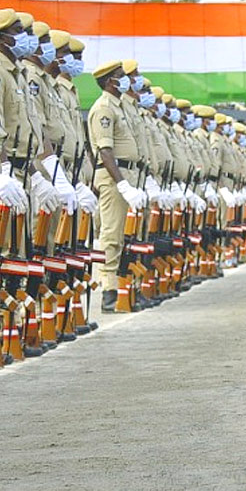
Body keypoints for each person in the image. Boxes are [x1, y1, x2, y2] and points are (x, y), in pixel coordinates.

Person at [87, 60, 146, 312]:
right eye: (122, 76)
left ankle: (121, 288)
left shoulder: (119, 107)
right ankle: (109, 290)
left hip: (127, 175)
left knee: (125, 235)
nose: (127, 80)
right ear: (111, 81)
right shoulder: (103, 108)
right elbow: (105, 151)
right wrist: (122, 184)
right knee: (111, 235)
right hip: (113, 177)